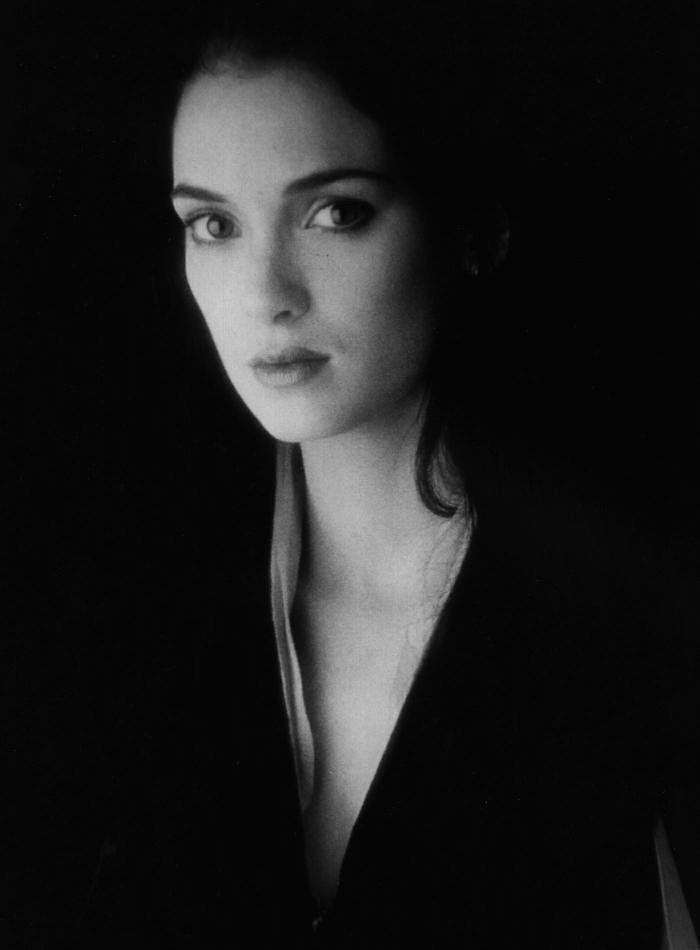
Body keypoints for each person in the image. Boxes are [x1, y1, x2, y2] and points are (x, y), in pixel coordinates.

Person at [14, 3, 697, 947]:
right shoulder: (113, 599)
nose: (265, 294)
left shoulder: (623, 617)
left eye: (338, 212)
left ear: (474, 231)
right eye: (213, 223)